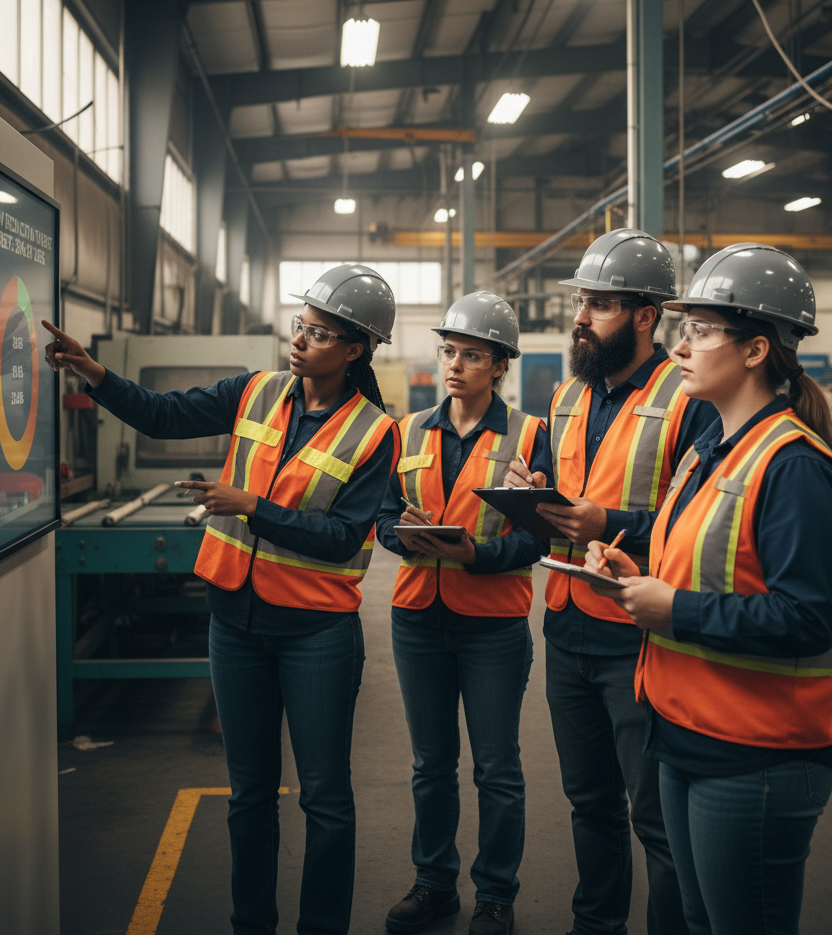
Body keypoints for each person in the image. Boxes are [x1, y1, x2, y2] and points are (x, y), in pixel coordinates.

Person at [43, 264, 401, 935]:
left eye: (320, 333)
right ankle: (251, 925)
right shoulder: (257, 392)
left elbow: (341, 538)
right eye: (301, 325)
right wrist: (93, 372)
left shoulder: (373, 433)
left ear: (355, 350)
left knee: (325, 799)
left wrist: (251, 507)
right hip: (233, 623)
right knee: (249, 797)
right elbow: (164, 414)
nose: (300, 339)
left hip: (316, 633)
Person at [585, 243, 832, 935]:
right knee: (698, 919)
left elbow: (807, 619)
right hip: (686, 732)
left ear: (756, 349)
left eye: (700, 331)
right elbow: (706, 567)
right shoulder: (711, 453)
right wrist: (637, 579)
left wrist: (672, 609)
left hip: (759, 752)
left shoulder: (794, 467)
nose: (681, 347)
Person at [505, 230, 718, 935]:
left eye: (599, 304)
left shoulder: (689, 399)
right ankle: (596, 925)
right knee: (588, 802)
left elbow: (702, 522)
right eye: (582, 304)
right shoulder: (567, 395)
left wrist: (609, 520)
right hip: (565, 627)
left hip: (637, 635)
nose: (581, 317)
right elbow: (571, 498)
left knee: (654, 817)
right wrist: (535, 496)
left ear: (645, 315)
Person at [375, 292, 552, 935]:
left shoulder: (530, 437)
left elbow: (542, 536)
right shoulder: (409, 430)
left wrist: (479, 553)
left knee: (496, 766)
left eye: (471, 354)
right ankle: (433, 883)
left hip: (492, 623)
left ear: (500, 365)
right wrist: (403, 536)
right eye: (449, 350)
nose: (454, 364)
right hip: (418, 616)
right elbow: (382, 514)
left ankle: (496, 893)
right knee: (430, 764)